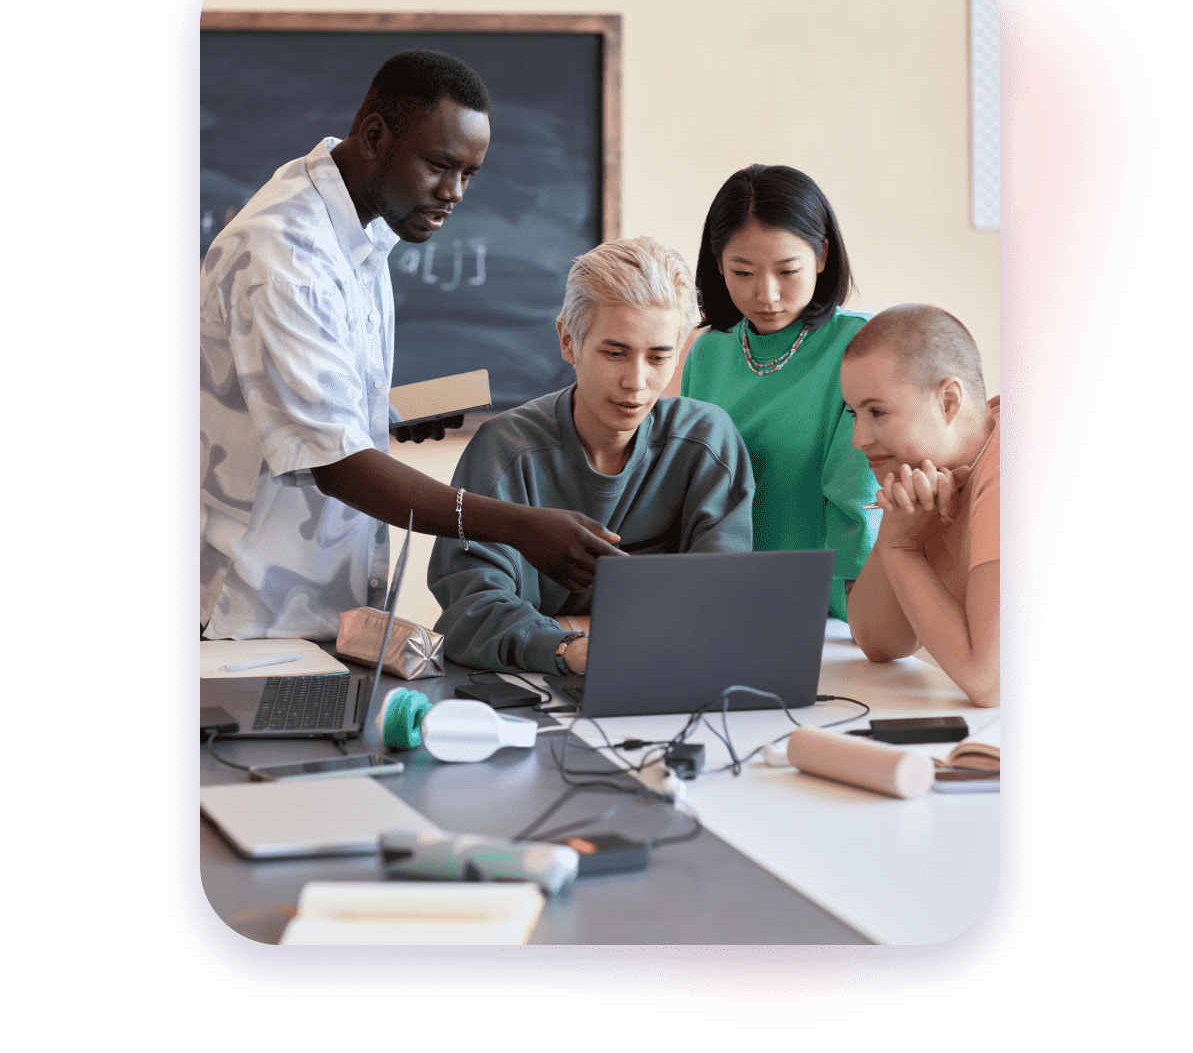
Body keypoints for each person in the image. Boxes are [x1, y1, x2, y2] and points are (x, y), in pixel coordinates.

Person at [201, 49, 622, 640]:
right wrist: (521, 527)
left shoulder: (360, 227)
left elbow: (299, 402)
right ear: (374, 136)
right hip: (240, 615)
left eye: (469, 175)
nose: (453, 192)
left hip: (310, 606)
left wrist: (388, 414)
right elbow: (340, 467)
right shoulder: (286, 257)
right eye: (439, 165)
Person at [428, 236, 756, 674]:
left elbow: (721, 598)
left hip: (670, 673)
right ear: (568, 341)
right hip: (535, 686)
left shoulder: (707, 442)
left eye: (659, 357)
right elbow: (470, 609)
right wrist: (567, 650)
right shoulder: (505, 450)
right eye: (615, 353)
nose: (636, 382)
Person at [679, 164, 877, 621]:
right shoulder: (707, 353)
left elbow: (857, 499)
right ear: (718, 265)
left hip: (829, 611)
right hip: (724, 604)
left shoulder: (861, 345)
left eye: (788, 270)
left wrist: (860, 616)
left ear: (822, 256)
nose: (766, 294)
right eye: (742, 272)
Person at [839, 304, 999, 708]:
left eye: (877, 411)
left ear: (948, 401)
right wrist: (896, 538)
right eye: (853, 413)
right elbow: (878, 643)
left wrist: (902, 550)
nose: (858, 439)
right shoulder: (933, 473)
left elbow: (990, 682)